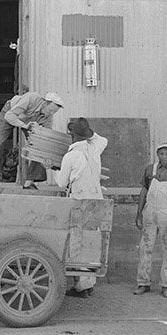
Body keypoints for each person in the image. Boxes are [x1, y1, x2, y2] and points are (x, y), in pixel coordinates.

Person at [55, 117, 109, 297]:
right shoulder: (94, 149)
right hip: (97, 201)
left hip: (79, 202)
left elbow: (61, 183)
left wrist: (54, 169)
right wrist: (88, 132)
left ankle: (82, 287)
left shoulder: (70, 156)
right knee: (92, 240)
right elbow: (102, 140)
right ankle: (87, 284)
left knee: (78, 242)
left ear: (72, 136)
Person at [135, 141, 167, 299]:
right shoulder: (149, 170)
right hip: (149, 213)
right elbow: (143, 192)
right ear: (157, 154)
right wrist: (139, 214)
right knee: (145, 248)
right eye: (161, 153)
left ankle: (166, 285)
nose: (164, 156)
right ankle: (143, 283)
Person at [0, 90, 64, 188]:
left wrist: (49, 158)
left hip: (27, 122)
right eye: (50, 110)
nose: (51, 113)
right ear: (45, 103)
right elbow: (9, 116)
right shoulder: (31, 99)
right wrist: (23, 125)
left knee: (38, 145)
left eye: (54, 112)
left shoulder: (48, 117)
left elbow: (45, 138)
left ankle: (30, 181)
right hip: (10, 113)